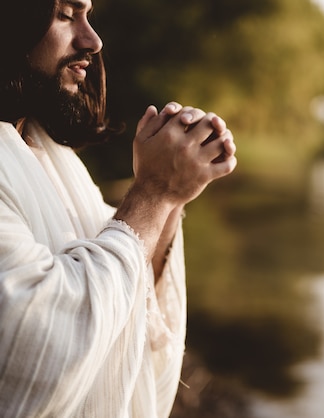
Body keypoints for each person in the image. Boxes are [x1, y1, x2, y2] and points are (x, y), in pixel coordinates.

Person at [0, 0, 237, 416]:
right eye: (66, 15)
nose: (92, 40)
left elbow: (126, 272)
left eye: (89, 16)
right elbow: (33, 344)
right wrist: (153, 192)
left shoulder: (43, 148)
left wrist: (173, 194)